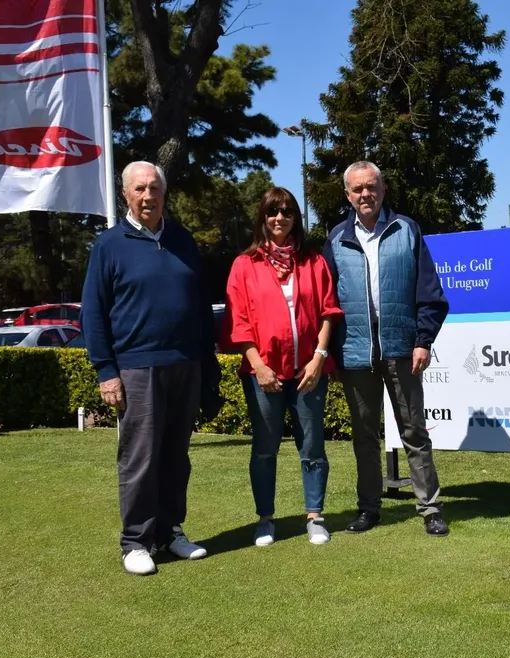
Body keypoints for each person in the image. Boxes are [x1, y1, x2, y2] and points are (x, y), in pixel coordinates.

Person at [81, 160, 219, 575]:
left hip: (185, 364)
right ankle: (136, 542)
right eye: (139, 189)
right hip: (137, 367)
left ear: (164, 192)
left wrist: (207, 364)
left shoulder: (182, 240)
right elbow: (93, 313)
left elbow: (200, 307)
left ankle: (169, 530)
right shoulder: (109, 245)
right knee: (140, 457)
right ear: (125, 194)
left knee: (176, 456)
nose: (147, 196)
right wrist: (106, 371)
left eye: (154, 188)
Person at [322, 160, 451, 537]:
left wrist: (423, 341)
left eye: (371, 187)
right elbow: (326, 302)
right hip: (355, 354)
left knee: (414, 432)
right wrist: (331, 354)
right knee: (364, 437)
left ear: (383, 190)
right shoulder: (336, 239)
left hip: (402, 349)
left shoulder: (406, 229)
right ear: (347, 195)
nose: (365, 194)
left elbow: (430, 293)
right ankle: (368, 508)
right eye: (358, 189)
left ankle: (430, 508)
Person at [221, 187, 343, 547]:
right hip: (263, 375)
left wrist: (319, 358)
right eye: (273, 212)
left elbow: (328, 312)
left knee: (313, 447)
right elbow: (239, 323)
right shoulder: (245, 265)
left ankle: (315, 515)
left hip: (308, 373)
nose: (280, 218)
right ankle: (265, 519)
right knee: (264, 447)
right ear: (263, 217)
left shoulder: (313, 261)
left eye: (287, 212)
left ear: (295, 218)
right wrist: (258, 366)